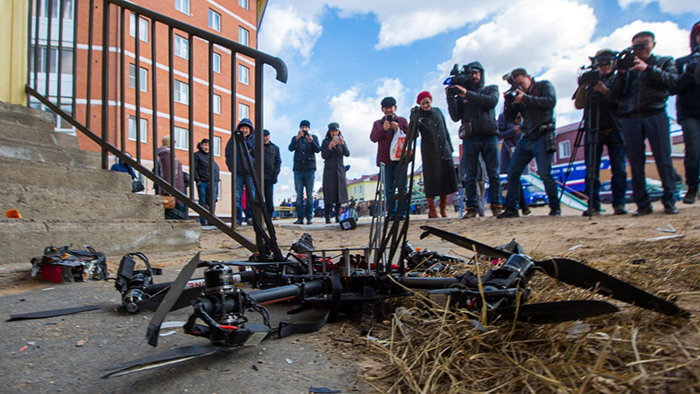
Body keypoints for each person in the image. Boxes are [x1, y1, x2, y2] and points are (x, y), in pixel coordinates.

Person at [609, 31, 679, 216]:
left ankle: (670, 201)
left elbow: (673, 82)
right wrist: (622, 73)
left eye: (644, 44)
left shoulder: (664, 61)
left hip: (655, 112)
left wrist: (647, 68)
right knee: (636, 162)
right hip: (630, 116)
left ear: (653, 44)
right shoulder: (627, 68)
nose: (640, 49)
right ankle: (642, 204)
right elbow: (614, 95)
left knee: (663, 159)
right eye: (636, 46)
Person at [498, 68, 560, 218]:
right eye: (517, 85)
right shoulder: (519, 95)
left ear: (529, 77)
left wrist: (525, 98)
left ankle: (555, 208)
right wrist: (509, 103)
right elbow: (511, 118)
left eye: (522, 83)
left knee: (545, 173)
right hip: (527, 137)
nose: (521, 87)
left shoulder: (544, 86)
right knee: (512, 172)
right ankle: (512, 208)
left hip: (543, 134)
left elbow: (550, 102)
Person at [573, 49, 628, 216]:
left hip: (614, 127)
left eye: (607, 62)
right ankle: (593, 205)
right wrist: (583, 85)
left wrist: (605, 90)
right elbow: (579, 104)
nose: (604, 66)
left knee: (619, 169)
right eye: (600, 63)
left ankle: (619, 204)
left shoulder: (618, 78)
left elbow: (622, 101)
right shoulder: (590, 81)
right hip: (592, 128)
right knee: (591, 170)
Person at [445, 61, 501, 218]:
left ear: (482, 74)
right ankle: (471, 208)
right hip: (470, 136)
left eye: (478, 73)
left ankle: (496, 206)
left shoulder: (491, 89)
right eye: (472, 73)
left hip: (489, 134)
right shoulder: (462, 94)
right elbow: (456, 116)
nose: (475, 76)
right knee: (470, 175)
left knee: (493, 173)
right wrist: (451, 96)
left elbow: (491, 102)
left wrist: (466, 94)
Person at [415, 91, 458, 218]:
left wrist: (450, 148)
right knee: (432, 181)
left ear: (431, 101)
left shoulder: (438, 112)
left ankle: (443, 208)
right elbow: (414, 134)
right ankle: (432, 209)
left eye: (427, 102)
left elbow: (445, 129)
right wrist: (415, 121)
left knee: (445, 180)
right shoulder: (419, 117)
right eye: (423, 103)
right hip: (430, 152)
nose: (426, 105)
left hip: (444, 150)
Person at [672, 22, 700, 204]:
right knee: (693, 150)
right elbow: (673, 87)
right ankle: (692, 187)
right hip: (690, 112)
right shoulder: (682, 62)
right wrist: (689, 72)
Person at [370, 96, 409, 219]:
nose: (388, 110)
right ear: (382, 110)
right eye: (385, 108)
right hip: (385, 161)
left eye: (390, 107)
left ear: (395, 108)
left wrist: (398, 129)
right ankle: (391, 213)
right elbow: (373, 138)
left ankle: (402, 213)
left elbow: (411, 135)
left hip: (400, 159)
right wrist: (383, 129)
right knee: (388, 189)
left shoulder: (402, 121)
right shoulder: (378, 123)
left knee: (402, 187)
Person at [497, 112, 530, 215]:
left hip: (522, 150)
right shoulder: (504, 117)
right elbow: (498, 135)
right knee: (513, 176)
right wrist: (513, 131)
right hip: (509, 151)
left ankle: (517, 206)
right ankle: (521, 206)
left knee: (515, 177)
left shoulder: (526, 115)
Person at [225, 118, 256, 226]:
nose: (244, 130)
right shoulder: (233, 139)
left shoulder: (254, 139)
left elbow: (258, 155)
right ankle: (237, 218)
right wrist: (231, 167)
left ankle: (250, 217)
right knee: (237, 196)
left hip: (250, 172)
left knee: (251, 195)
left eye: (246, 128)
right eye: (242, 128)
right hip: (238, 171)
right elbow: (228, 153)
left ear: (250, 129)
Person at [289, 119, 321, 224]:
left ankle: (309, 217)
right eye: (302, 127)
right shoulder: (295, 138)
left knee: (309, 195)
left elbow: (317, 150)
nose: (304, 129)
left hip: (309, 170)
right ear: (299, 128)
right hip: (298, 170)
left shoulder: (313, 138)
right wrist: (297, 139)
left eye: (306, 127)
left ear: (309, 128)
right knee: (299, 195)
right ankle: (300, 218)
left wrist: (311, 142)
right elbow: (290, 148)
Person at [320, 122, 350, 223]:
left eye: (336, 131)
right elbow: (324, 156)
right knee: (329, 194)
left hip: (340, 170)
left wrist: (342, 145)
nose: (334, 133)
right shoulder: (325, 142)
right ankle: (327, 217)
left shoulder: (341, 141)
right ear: (329, 131)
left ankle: (338, 216)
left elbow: (347, 154)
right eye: (332, 131)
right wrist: (330, 147)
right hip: (329, 171)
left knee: (339, 194)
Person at [193, 138, 221, 226]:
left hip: (212, 182)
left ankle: (211, 220)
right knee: (202, 201)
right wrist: (197, 179)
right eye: (205, 145)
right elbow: (194, 168)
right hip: (202, 182)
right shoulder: (197, 155)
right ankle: (203, 221)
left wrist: (216, 179)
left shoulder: (210, 156)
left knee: (212, 201)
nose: (207, 147)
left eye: (208, 145)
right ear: (201, 145)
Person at [262, 129, 282, 215]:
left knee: (269, 198)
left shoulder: (275, 148)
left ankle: (269, 216)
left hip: (269, 177)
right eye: (263, 136)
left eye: (266, 136)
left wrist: (275, 175)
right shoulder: (256, 146)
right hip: (258, 176)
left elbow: (278, 162)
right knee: (257, 197)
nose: (265, 138)